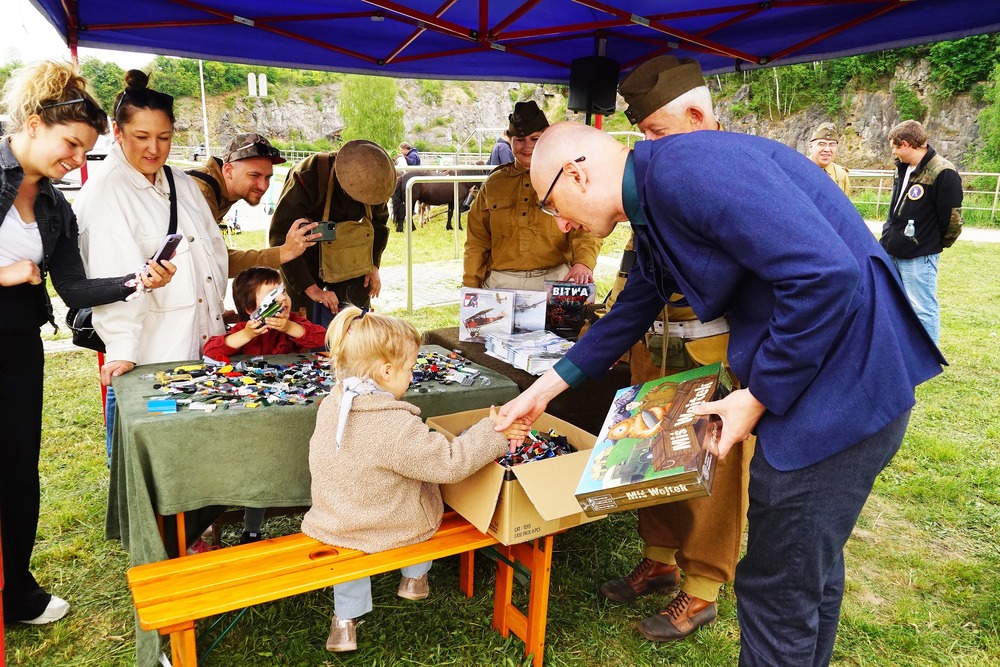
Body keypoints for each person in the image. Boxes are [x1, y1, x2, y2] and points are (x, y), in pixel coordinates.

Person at [497, 121, 945, 666]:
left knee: (777, 589)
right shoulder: (656, 191)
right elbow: (638, 302)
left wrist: (756, 395)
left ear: (577, 172)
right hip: (827, 379)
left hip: (840, 391)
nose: (562, 222)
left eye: (551, 204)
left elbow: (825, 274)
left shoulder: (687, 173)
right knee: (807, 575)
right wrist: (544, 390)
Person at [0, 60, 173, 626]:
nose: (78, 160)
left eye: (84, 149)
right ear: (32, 122)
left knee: (19, 470)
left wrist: (135, 279)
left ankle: (16, 592)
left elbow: (71, 286)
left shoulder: (52, 203)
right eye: (71, 144)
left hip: (17, 345)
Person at [591, 54, 747, 643]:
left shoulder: (735, 174)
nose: (650, 148)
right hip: (652, 343)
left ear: (696, 115)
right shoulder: (663, 179)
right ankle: (659, 557)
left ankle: (703, 587)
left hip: (711, 350)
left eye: (657, 133)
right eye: (645, 137)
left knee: (710, 467)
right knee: (648, 453)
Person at [301, 306, 527, 652]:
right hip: (387, 524)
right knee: (424, 506)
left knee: (352, 548)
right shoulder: (393, 424)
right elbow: (450, 464)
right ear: (386, 370)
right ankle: (414, 577)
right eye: (409, 369)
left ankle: (344, 624)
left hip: (336, 518)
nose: (411, 376)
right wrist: (493, 431)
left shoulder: (335, 403)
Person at [74, 69, 229, 465]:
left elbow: (213, 250)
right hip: (151, 354)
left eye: (163, 137)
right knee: (156, 464)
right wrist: (122, 349)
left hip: (202, 341)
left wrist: (216, 312)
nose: (153, 149)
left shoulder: (182, 183)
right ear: (117, 131)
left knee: (198, 452)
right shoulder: (106, 193)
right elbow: (107, 281)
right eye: (141, 137)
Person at [203, 265, 326, 543]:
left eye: (283, 290)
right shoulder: (242, 329)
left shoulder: (294, 322)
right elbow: (211, 351)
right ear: (250, 308)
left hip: (295, 415)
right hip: (256, 423)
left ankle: (318, 507)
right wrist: (247, 334)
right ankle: (252, 527)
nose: (282, 298)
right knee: (259, 464)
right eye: (272, 294)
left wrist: (292, 328)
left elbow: (323, 338)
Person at [463, 101, 602, 291]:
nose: (527, 146)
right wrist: (470, 286)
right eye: (519, 140)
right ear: (509, 140)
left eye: (535, 139)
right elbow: (477, 241)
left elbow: (586, 228)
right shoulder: (494, 183)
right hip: (501, 283)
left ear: (546, 138)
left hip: (555, 280)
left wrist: (583, 263)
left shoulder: (566, 177)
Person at [268, 140, 395, 325]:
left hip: (350, 258)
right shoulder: (310, 175)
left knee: (356, 321)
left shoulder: (374, 180)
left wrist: (373, 264)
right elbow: (281, 236)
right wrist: (311, 289)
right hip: (305, 257)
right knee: (303, 324)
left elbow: (379, 225)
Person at [880, 119, 964, 345]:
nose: (894, 153)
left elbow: (952, 219)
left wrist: (930, 244)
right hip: (893, 250)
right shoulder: (902, 168)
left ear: (906, 144)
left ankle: (926, 360)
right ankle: (902, 351)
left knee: (922, 307)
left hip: (919, 255)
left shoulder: (942, 171)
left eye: (895, 148)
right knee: (895, 303)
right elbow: (895, 209)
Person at [187, 132, 320, 271]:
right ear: (228, 170)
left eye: (267, 177)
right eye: (254, 175)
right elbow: (214, 260)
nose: (263, 186)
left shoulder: (218, 189)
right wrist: (283, 253)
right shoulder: (201, 193)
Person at [807, 122, 851, 195]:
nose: (827, 149)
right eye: (821, 144)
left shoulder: (841, 175)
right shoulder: (797, 170)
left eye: (832, 145)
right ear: (811, 147)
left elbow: (844, 204)